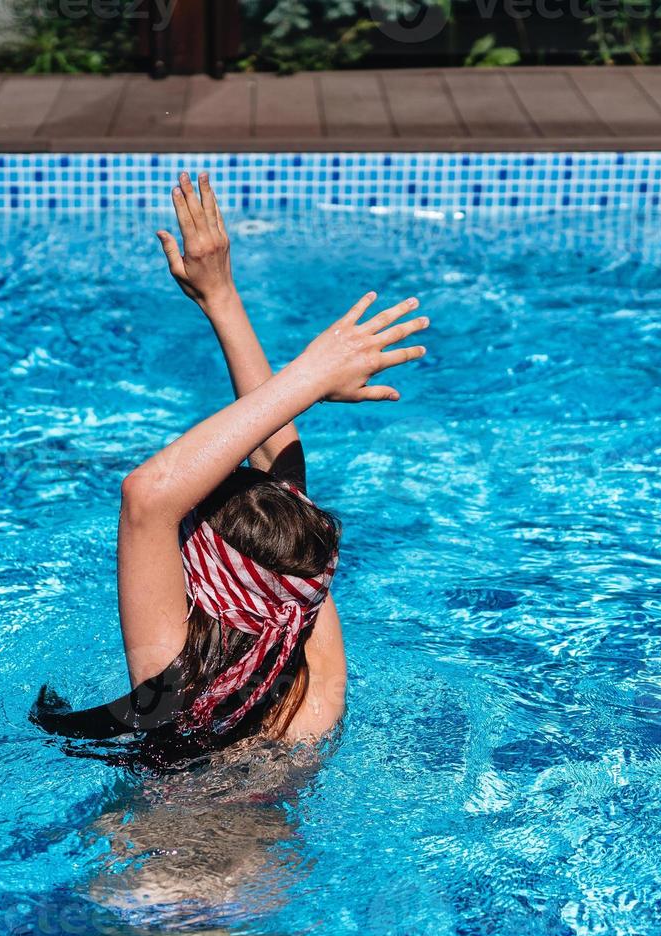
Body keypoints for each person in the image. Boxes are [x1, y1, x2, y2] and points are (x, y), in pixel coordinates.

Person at [31, 172, 429, 766]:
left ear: (208, 589)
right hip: (279, 861)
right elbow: (284, 503)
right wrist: (222, 296)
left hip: (162, 858)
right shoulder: (315, 685)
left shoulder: (174, 691)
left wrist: (312, 376)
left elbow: (148, 495)